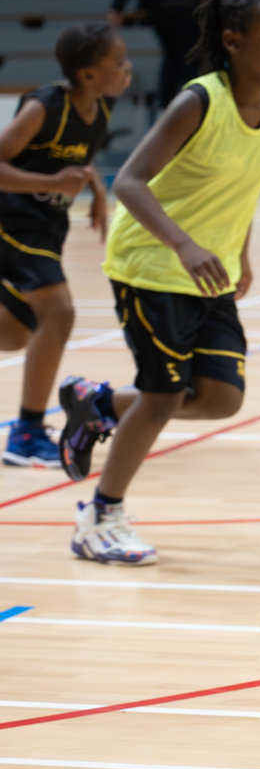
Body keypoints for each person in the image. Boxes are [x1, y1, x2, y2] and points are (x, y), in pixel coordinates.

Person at [57, 0, 260, 565]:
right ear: (232, 41)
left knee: (220, 398)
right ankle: (100, 517)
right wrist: (184, 244)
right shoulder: (199, 102)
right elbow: (129, 181)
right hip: (151, 264)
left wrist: (240, 253)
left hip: (210, 271)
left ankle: (98, 405)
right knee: (163, 397)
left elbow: (243, 187)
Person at [0, 25, 129, 468]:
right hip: (12, 220)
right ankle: (27, 434)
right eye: (118, 62)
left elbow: (79, 156)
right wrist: (54, 183)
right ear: (88, 74)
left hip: (45, 225)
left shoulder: (101, 107)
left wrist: (96, 188)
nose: (128, 68)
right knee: (58, 312)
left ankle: (28, 431)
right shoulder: (44, 107)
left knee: (14, 332)